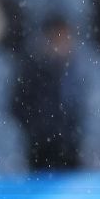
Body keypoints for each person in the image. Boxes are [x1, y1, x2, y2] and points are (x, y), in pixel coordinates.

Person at [9, 14, 84, 171]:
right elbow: (17, 106)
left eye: (65, 38)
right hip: (41, 149)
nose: (62, 44)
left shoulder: (76, 71)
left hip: (71, 149)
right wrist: (37, 130)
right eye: (56, 38)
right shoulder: (32, 71)